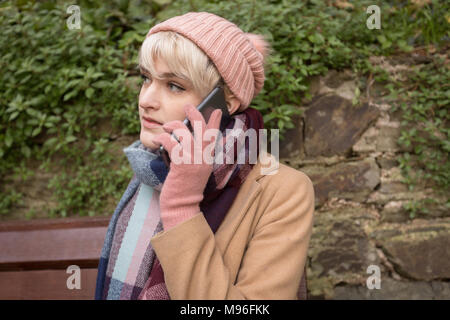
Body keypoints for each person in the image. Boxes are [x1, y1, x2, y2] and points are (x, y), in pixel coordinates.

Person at [95, 11, 315, 300]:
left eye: (174, 85)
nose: (145, 100)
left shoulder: (284, 190)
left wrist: (182, 207)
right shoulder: (153, 169)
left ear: (225, 103)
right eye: (146, 78)